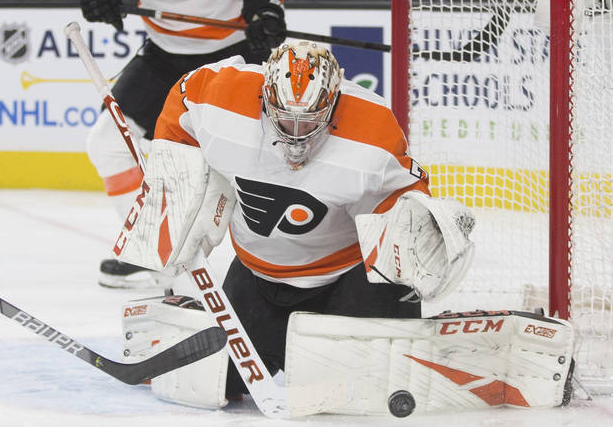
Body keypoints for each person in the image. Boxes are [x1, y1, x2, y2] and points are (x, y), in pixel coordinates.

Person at [112, 40, 474, 399]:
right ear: (265, 96)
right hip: (258, 278)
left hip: (344, 280)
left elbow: (404, 201)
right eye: (285, 119)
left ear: (334, 102)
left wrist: (416, 239)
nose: (296, 136)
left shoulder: (371, 131)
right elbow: (183, 97)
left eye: (310, 122)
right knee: (217, 383)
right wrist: (178, 175)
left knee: (366, 390)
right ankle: (186, 311)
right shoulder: (222, 96)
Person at [64, 0, 288, 288]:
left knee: (245, 162)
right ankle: (149, 249)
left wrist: (265, 8)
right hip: (164, 53)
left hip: (223, 57)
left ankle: (285, 260)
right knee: (107, 142)